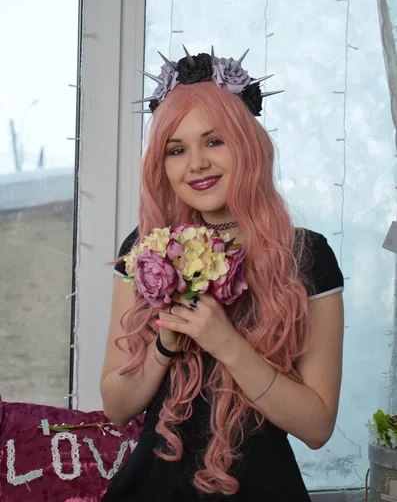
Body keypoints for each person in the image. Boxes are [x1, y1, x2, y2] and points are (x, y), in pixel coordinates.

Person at [100, 47, 344, 501]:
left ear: (247, 145)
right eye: (177, 149)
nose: (196, 164)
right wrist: (166, 344)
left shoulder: (307, 256)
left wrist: (227, 343)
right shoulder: (147, 249)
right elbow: (116, 407)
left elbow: (317, 427)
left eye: (214, 141)